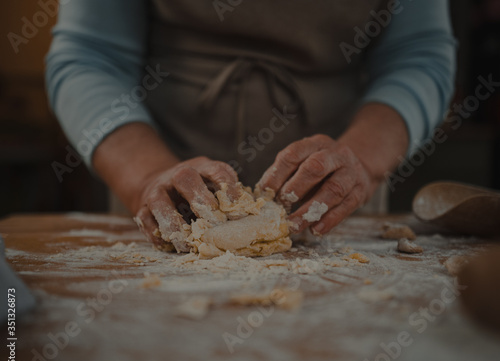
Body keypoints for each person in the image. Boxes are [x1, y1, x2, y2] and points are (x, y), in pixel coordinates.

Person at [46, 0, 456, 250]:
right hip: (156, 160)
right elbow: (90, 55)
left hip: (337, 190)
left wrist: (364, 159)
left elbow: (419, 55)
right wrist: (145, 175)